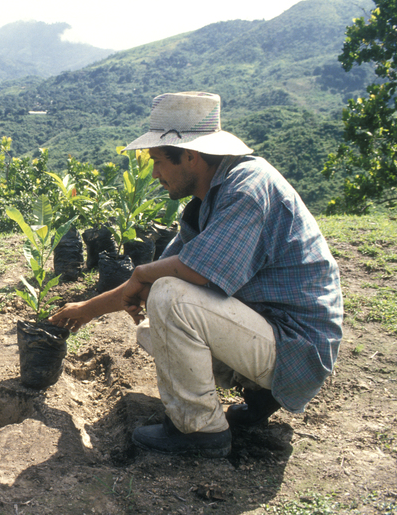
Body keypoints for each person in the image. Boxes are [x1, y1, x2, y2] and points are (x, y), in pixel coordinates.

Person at [50, 92, 343, 457]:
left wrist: (143, 272)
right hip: (273, 331)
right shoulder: (210, 199)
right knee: (152, 329)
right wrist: (85, 310)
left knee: (171, 298)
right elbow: (152, 278)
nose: (155, 173)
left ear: (190, 155)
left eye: (158, 161)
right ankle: (260, 396)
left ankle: (200, 431)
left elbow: (177, 278)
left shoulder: (246, 188)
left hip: (296, 345)